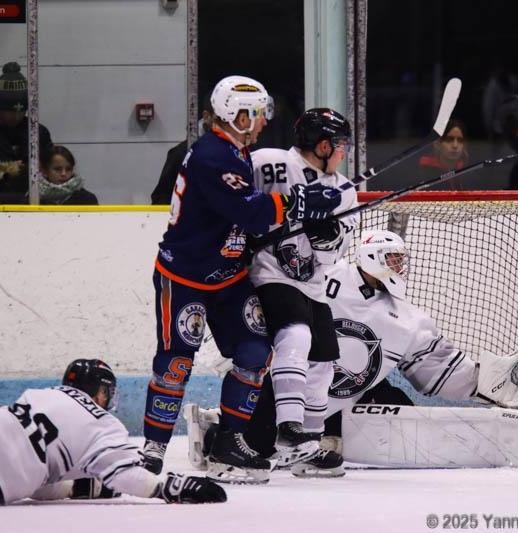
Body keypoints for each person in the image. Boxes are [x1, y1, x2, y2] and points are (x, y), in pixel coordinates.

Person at [187, 230, 518, 479]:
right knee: (258, 445)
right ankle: (216, 428)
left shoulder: (409, 319)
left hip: (346, 402)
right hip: (288, 392)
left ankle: (314, 444)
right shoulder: (324, 276)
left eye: (401, 260)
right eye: (393, 259)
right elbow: (275, 295)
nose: (400, 267)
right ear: (371, 258)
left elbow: (438, 368)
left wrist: (483, 381)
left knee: (405, 417)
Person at [140, 75, 342, 483]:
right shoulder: (212, 154)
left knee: (254, 351)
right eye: (258, 113)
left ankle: (229, 443)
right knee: (176, 362)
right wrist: (300, 202)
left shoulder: (237, 151)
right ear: (238, 115)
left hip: (229, 277)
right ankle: (153, 449)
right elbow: (248, 211)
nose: (264, 120)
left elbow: (243, 220)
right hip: (185, 277)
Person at [0, 359, 226, 505]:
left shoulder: (41, 394)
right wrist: (167, 487)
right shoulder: (102, 423)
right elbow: (125, 474)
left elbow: (37, 476)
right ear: (101, 391)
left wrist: (75, 487)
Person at [247, 108, 359, 469]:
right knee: (296, 336)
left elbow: (336, 250)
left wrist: (325, 234)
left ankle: (307, 445)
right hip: (269, 273)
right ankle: (289, 430)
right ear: (323, 145)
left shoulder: (344, 190)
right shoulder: (269, 163)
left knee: (324, 362)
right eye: (340, 144)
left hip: (312, 284)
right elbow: (236, 201)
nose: (344, 152)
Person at [0, 62, 54, 198]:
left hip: (30, 199)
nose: (16, 116)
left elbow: (52, 168)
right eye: (9, 111)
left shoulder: (37, 132)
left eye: (21, 111)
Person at [150, 90, 215, 205]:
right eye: (223, 119)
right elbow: (161, 198)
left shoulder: (242, 152)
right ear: (206, 117)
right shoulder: (181, 153)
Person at [417, 118, 469, 190]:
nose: (455, 145)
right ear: (437, 144)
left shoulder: (469, 172)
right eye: (449, 139)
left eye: (460, 140)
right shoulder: (424, 174)